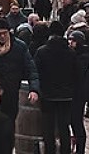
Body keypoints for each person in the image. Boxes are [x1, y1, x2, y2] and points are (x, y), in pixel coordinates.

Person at [0, 17, 39, 121]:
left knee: (9, 122)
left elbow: (31, 69)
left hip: (11, 92)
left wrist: (34, 89)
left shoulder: (19, 46)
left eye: (5, 33)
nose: (2, 36)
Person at [34, 21, 75, 154]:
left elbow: (36, 72)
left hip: (47, 94)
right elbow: (76, 73)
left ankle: (50, 151)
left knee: (48, 127)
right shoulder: (71, 52)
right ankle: (65, 151)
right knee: (64, 126)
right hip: (66, 95)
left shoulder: (42, 51)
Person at [69, 31, 89, 154]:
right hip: (72, 92)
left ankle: (80, 150)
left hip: (79, 94)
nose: (70, 43)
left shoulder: (84, 56)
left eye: (73, 40)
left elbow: (79, 71)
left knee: (77, 122)